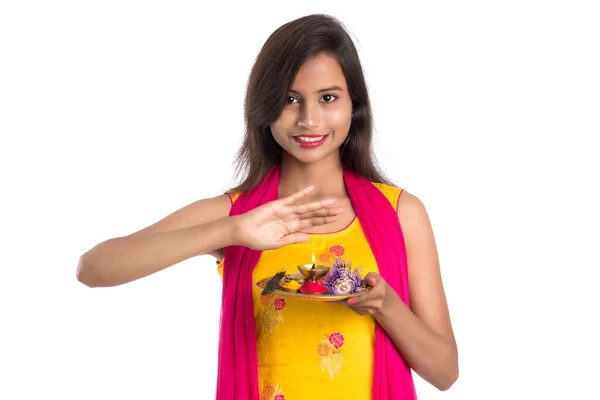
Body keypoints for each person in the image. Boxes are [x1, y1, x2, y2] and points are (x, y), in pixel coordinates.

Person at [77, 13, 458, 400]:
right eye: (290, 100)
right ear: (264, 107)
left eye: (328, 98)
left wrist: (387, 306)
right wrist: (232, 231)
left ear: (354, 105)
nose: (309, 120)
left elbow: (445, 373)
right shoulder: (236, 215)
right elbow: (93, 268)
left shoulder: (401, 213)